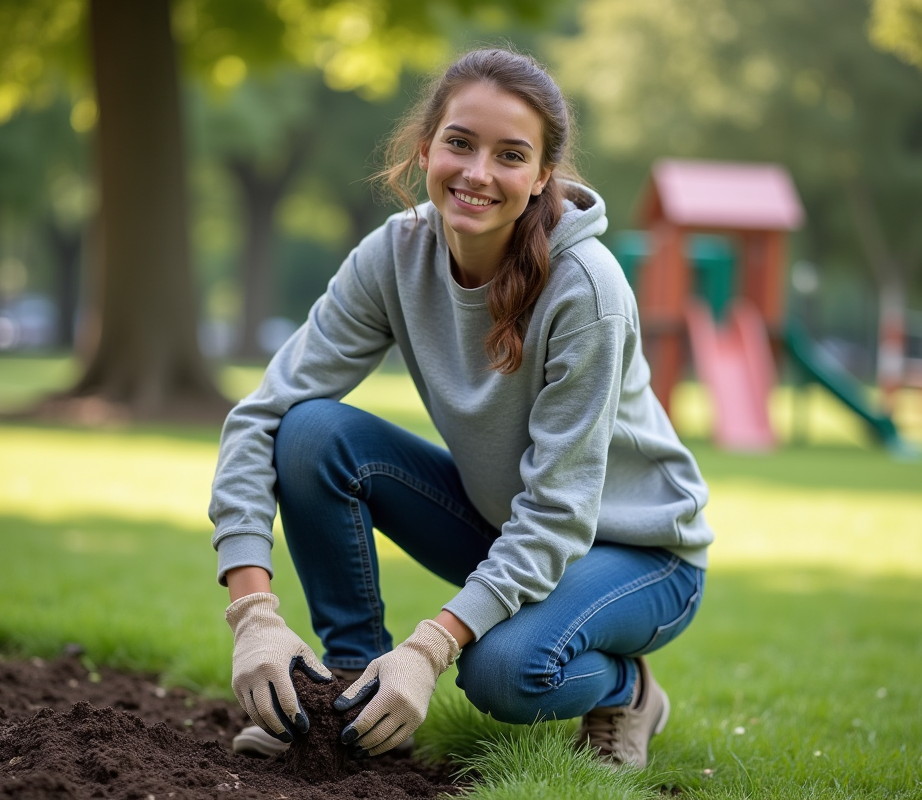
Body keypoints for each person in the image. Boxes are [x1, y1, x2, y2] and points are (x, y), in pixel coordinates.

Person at [209, 46, 713, 770]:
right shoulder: (394, 256)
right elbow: (261, 416)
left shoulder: (587, 293)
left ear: (543, 176)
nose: (478, 173)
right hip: (512, 520)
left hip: (642, 551)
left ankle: (628, 690)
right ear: (425, 150)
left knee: (504, 672)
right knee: (311, 432)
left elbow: (560, 513)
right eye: (460, 143)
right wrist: (252, 614)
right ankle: (355, 696)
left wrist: (430, 647)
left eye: (510, 155)